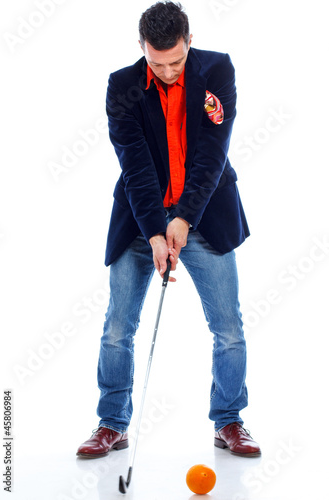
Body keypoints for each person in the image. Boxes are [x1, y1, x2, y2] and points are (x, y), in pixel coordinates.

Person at [77, 1, 260, 459]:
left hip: (204, 215)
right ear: (142, 48)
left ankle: (229, 420)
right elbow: (135, 166)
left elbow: (211, 157)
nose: (167, 71)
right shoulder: (121, 86)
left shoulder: (218, 71)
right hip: (141, 220)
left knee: (228, 327)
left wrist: (181, 220)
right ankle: (112, 424)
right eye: (157, 63)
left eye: (176, 61)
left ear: (190, 41)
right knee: (119, 327)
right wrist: (157, 232)